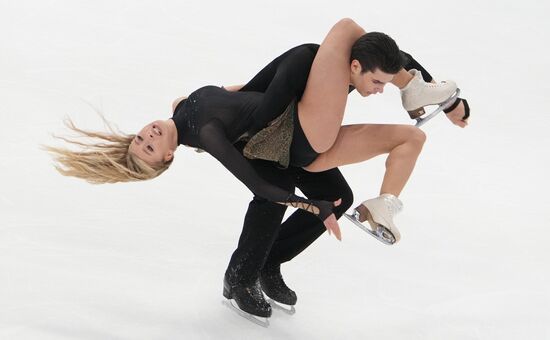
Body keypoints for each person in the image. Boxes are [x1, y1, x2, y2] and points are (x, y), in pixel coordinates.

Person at [45, 18, 470, 318]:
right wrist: (305, 205)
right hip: (284, 135)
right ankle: (240, 276)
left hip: (291, 117)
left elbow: (242, 91)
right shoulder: (206, 132)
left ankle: (270, 263)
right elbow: (253, 180)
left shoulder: (183, 106)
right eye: (151, 148)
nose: (148, 136)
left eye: (140, 138)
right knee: (341, 37)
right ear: (168, 158)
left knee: (341, 195)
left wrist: (447, 101)